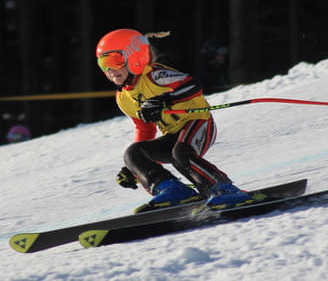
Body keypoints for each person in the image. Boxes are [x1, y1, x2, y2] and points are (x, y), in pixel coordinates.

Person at [96, 29, 250, 213]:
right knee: (133, 153)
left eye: (114, 61)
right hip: (172, 135)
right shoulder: (123, 97)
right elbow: (144, 129)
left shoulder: (155, 75)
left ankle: (223, 189)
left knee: (181, 154)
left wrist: (164, 99)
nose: (110, 70)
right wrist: (135, 169)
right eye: (103, 64)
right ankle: (174, 191)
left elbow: (193, 86)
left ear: (134, 56)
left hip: (198, 122)